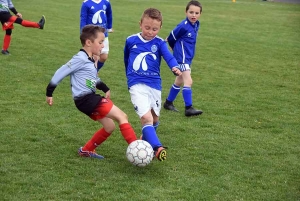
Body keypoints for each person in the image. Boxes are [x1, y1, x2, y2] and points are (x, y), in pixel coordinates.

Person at [46, 25, 137, 159]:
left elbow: (90, 80)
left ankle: (86, 150)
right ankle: (137, 150)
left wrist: (105, 88)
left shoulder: (89, 59)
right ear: (89, 42)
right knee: (122, 116)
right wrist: (49, 92)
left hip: (87, 99)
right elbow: (61, 72)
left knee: (109, 127)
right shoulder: (80, 58)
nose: (102, 46)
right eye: (100, 42)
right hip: (87, 99)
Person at [124, 8, 182, 161]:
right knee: (146, 118)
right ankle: (158, 147)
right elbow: (126, 59)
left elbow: (169, 57)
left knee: (154, 119)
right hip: (136, 84)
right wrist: (129, 77)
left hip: (154, 85)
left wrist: (174, 66)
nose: (150, 32)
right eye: (147, 28)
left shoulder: (160, 43)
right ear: (140, 24)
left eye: (155, 29)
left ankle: (146, 136)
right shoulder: (131, 40)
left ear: (160, 28)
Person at [163, 0, 203, 117]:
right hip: (182, 58)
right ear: (186, 12)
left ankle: (168, 103)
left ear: (200, 14)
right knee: (188, 81)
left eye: (196, 13)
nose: (193, 15)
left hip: (188, 57)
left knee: (179, 80)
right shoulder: (183, 26)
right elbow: (171, 36)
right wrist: (173, 47)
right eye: (191, 12)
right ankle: (188, 108)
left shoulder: (196, 24)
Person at [80, 0, 113, 72]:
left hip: (103, 34)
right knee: (95, 57)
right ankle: (91, 76)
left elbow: (109, 14)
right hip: (92, 35)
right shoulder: (86, 3)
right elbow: (83, 19)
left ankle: (94, 71)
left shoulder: (106, 2)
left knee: (104, 56)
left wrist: (109, 27)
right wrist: (83, 33)